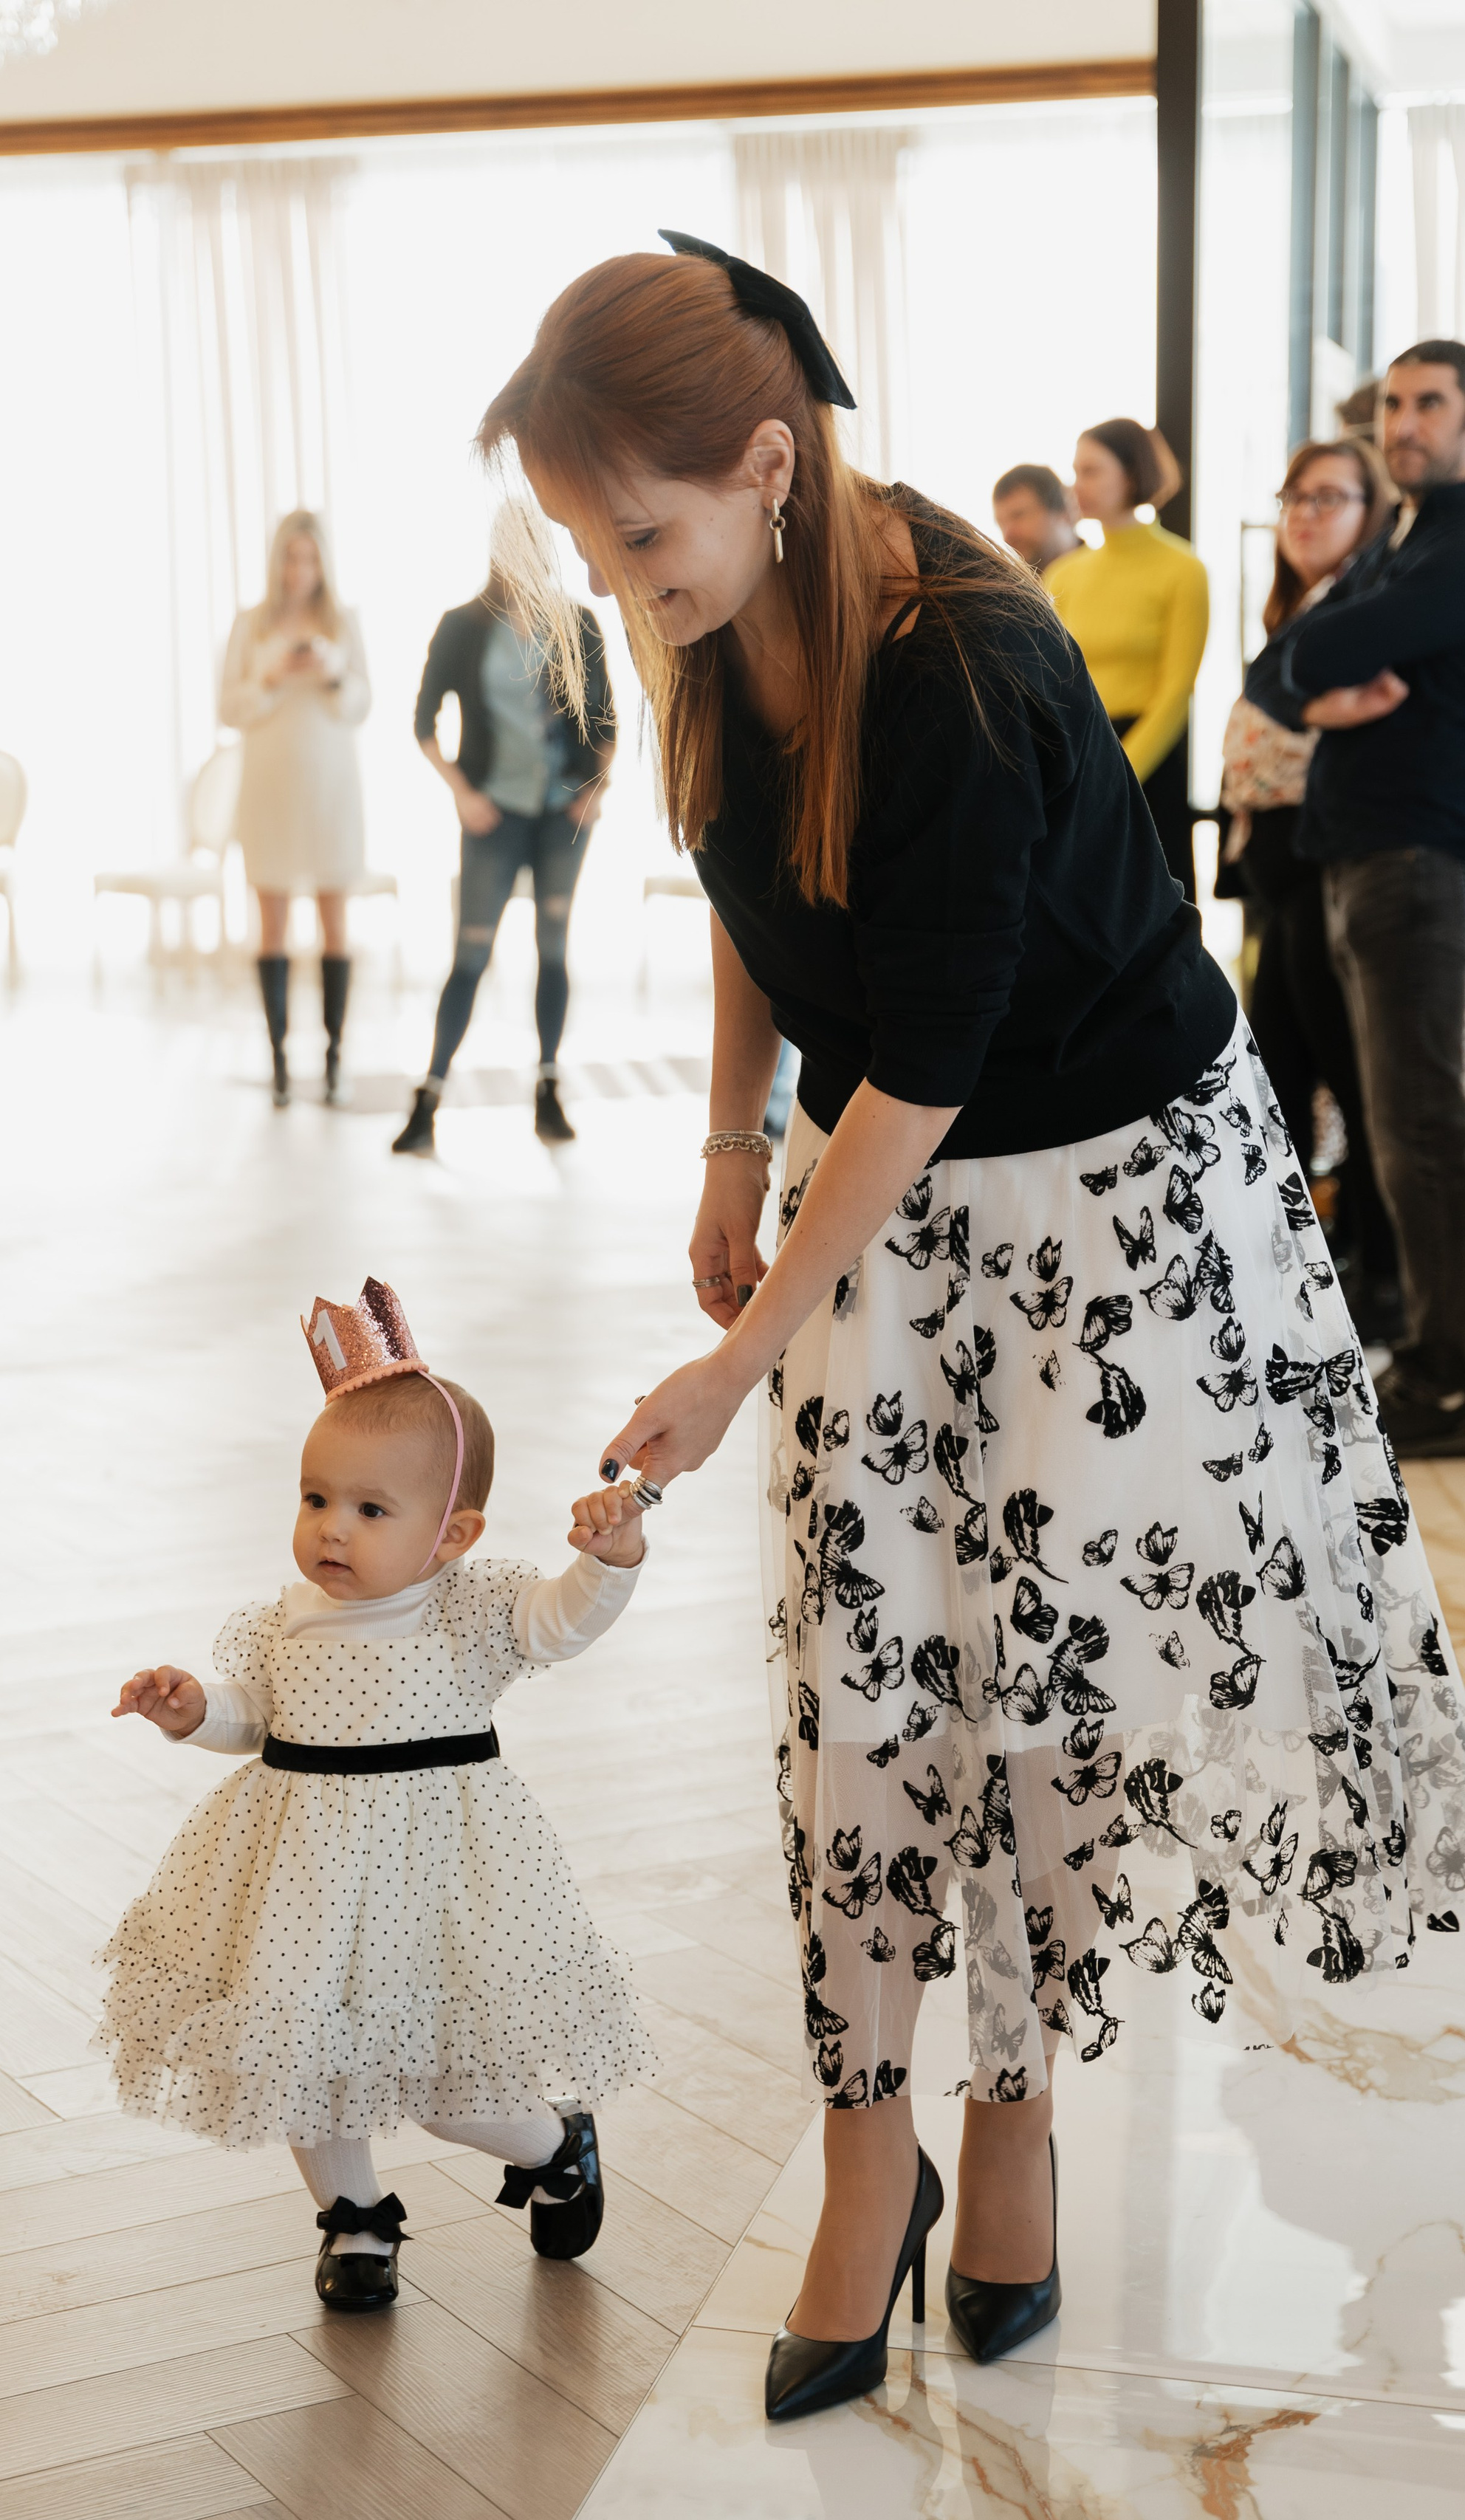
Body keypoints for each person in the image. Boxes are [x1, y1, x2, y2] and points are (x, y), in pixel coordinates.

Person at [478, 234, 1465, 2426]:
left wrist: (739, 1356)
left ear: (765, 461)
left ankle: (1005, 2116)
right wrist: (729, 1152)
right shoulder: (710, 611)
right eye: (585, 542)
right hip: (892, 1187)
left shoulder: (964, 667)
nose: (620, 580)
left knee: (1043, 1707)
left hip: (1108, 1209)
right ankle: (864, 2151)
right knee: (859, 1691)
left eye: (640, 533)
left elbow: (927, 1060)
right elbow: (753, 872)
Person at [96, 1277, 656, 2312]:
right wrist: (192, 1710)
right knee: (300, 2050)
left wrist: (610, 1562)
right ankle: (353, 2222)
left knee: (447, 2082)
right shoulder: (289, 1617)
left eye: (368, 1509)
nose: (331, 1532)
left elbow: (558, 1623)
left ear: (453, 1535)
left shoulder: (470, 1609)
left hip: (430, 1881)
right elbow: (259, 1715)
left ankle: (550, 2142)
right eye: (315, 1500)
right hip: (299, 1877)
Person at [1245, 341, 1465, 1455]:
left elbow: (1325, 642)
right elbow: (1279, 664)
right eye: (1394, 404)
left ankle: (1446, 1376)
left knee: (1420, 1124)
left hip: (1418, 862)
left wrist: (1304, 671)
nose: (1405, 421)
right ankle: (1426, 1350)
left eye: (1429, 402)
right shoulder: (1403, 542)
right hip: (1360, 862)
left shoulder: (1453, 545)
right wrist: (1315, 696)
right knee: (1392, 1120)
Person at [1222, 437, 1399, 1341]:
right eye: (1295, 495)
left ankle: (1377, 1279)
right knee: (1284, 1070)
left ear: (1371, 515)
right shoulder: (1303, 607)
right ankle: (1305, 1271)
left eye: (1328, 497)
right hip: (1277, 861)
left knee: (1351, 1080)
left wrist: (1300, 704)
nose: (1303, 513)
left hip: (1325, 852)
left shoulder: (1370, 597)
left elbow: (1378, 694)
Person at [392, 507, 617, 1157]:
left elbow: (605, 725)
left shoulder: (578, 623)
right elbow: (424, 722)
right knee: (472, 951)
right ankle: (427, 1099)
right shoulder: (462, 627)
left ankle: (548, 1089)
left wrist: (594, 792)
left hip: (560, 814)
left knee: (553, 943)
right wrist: (461, 793)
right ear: (497, 550)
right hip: (491, 811)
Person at [219, 512, 371, 1108]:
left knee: (335, 922)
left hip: (331, 789)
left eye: (309, 558)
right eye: (290, 557)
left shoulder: (344, 623)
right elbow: (228, 707)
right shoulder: (249, 625)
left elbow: (363, 702)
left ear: (323, 562)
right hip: (270, 789)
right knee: (273, 922)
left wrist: (333, 672)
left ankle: (334, 1059)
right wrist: (273, 676)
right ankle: (279, 1059)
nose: (299, 570)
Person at [1046, 419, 1210, 899]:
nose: (1078, 486)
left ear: (1133, 474)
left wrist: (1115, 775)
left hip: (1146, 767)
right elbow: (1049, 684)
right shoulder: (1063, 575)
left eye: (1092, 470)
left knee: (1154, 917)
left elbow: (1177, 693)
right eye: (1076, 471)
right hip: (1077, 758)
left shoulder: (1183, 569)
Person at [990, 464, 1079, 574]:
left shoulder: (1104, 573)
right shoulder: (1009, 588)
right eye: (1001, 524)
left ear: (1063, 512)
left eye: (1018, 516)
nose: (1008, 535)